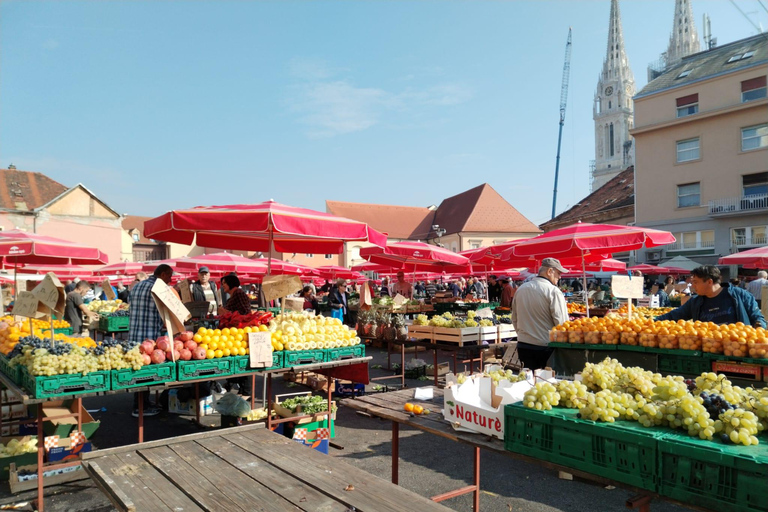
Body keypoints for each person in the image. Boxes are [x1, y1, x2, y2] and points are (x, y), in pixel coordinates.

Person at [655, 266, 765, 328]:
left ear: (709, 282)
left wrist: (759, 328)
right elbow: (674, 315)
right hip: (708, 349)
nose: (693, 286)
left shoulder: (740, 295)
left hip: (736, 349)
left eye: (696, 282)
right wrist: (652, 321)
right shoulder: (695, 301)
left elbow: (757, 317)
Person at [129, 264, 174, 417]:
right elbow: (168, 312)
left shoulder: (137, 286)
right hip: (149, 339)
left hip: (134, 335)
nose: (171, 279)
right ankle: (140, 407)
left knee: (138, 371)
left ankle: (142, 404)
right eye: (169, 276)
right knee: (147, 374)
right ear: (162, 274)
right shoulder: (159, 288)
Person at [510, 258, 569, 370]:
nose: (560, 277)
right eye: (559, 273)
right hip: (545, 347)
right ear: (550, 271)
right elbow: (562, 323)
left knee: (528, 381)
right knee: (545, 383)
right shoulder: (553, 291)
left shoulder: (521, 289)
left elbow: (514, 318)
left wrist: (524, 334)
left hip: (524, 345)